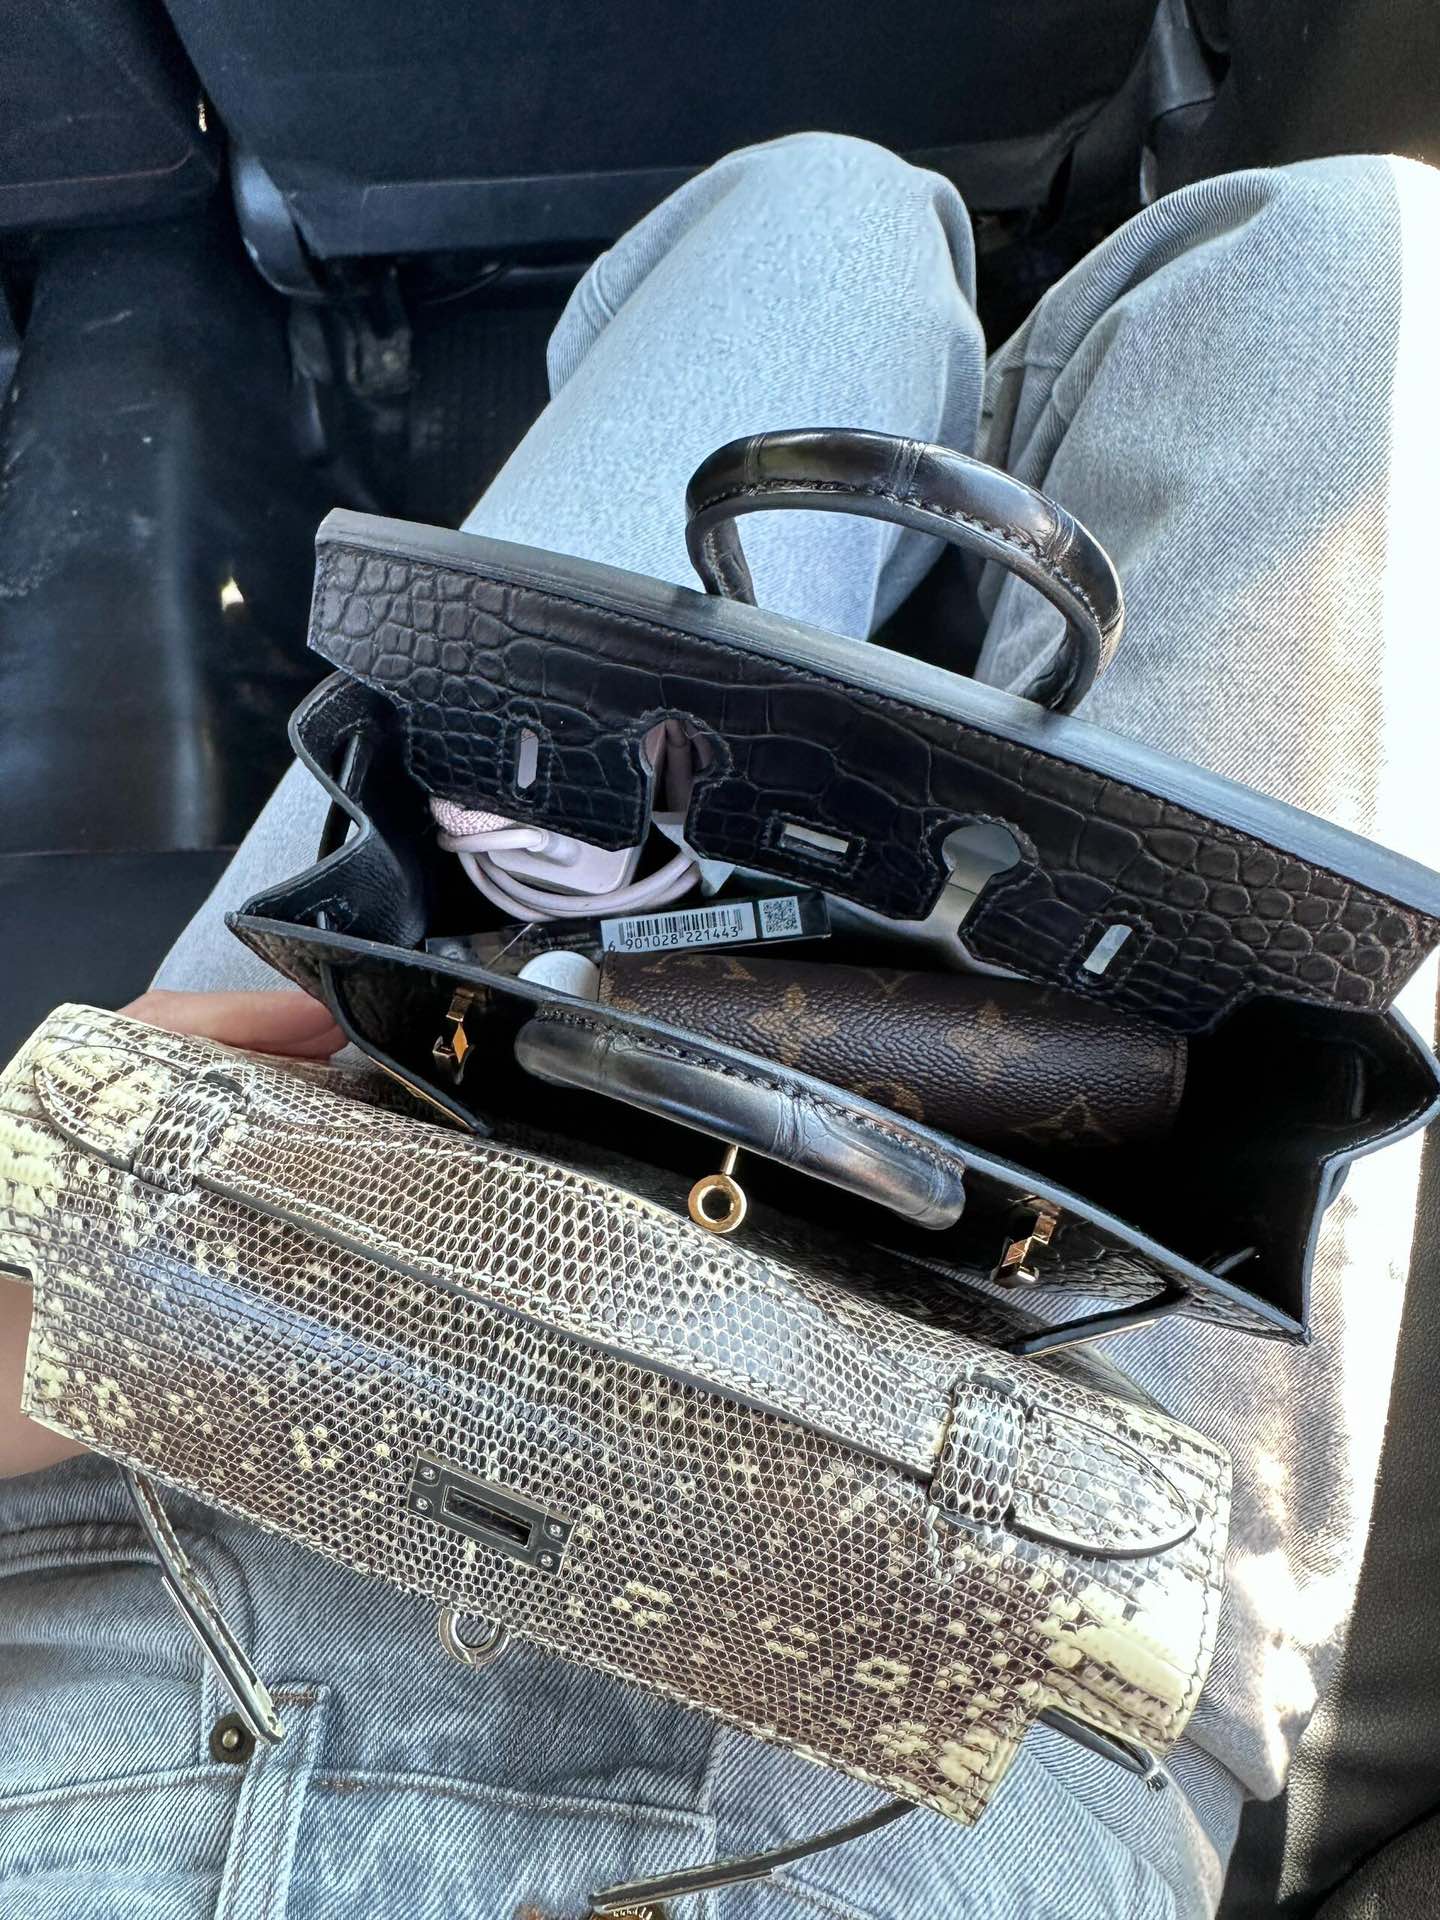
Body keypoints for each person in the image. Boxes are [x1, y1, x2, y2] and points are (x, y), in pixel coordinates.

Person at [1, 132, 1436, 1920]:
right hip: (1025, 1637)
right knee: (1346, 261)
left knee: (828, 214)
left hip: (200, 1406)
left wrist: (41, 1248)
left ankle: (916, 616)